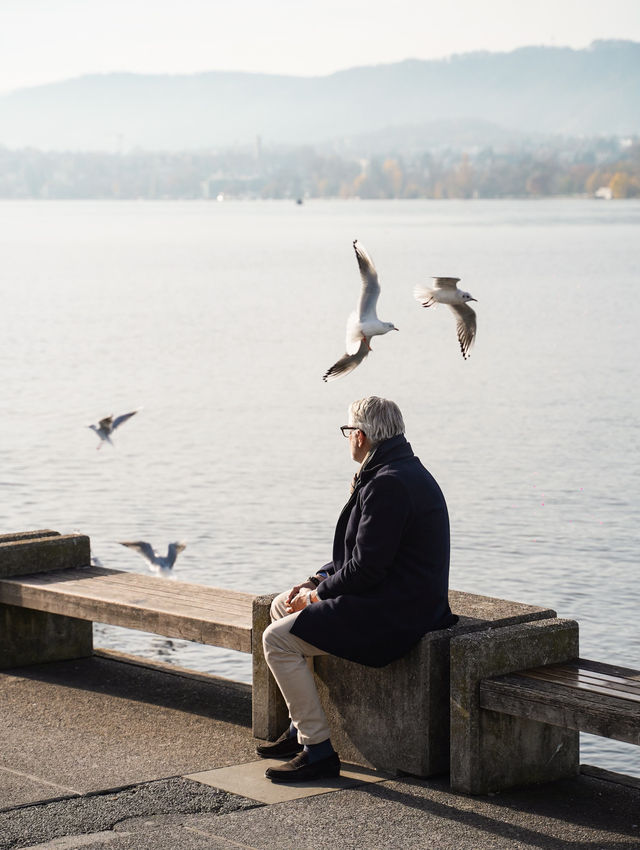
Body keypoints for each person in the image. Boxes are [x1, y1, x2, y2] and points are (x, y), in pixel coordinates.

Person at [257, 396, 456, 783]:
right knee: (282, 607)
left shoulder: (388, 484)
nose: (348, 438)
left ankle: (318, 751)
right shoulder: (397, 470)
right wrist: (316, 581)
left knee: (277, 640)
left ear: (361, 436)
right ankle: (301, 729)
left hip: (395, 613)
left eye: (348, 432)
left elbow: (366, 567)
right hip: (391, 596)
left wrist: (316, 597)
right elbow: (360, 554)